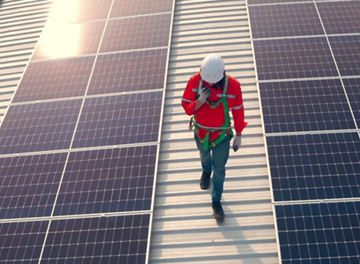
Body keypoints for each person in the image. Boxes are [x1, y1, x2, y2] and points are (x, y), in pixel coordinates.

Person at [181, 54, 248, 222]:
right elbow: (188, 108)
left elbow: (238, 112)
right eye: (207, 82)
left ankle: (216, 201)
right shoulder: (195, 82)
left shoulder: (233, 86)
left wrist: (239, 134)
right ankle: (205, 171)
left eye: (213, 83)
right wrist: (201, 99)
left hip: (221, 137)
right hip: (202, 134)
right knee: (204, 156)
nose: (209, 85)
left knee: (220, 169)